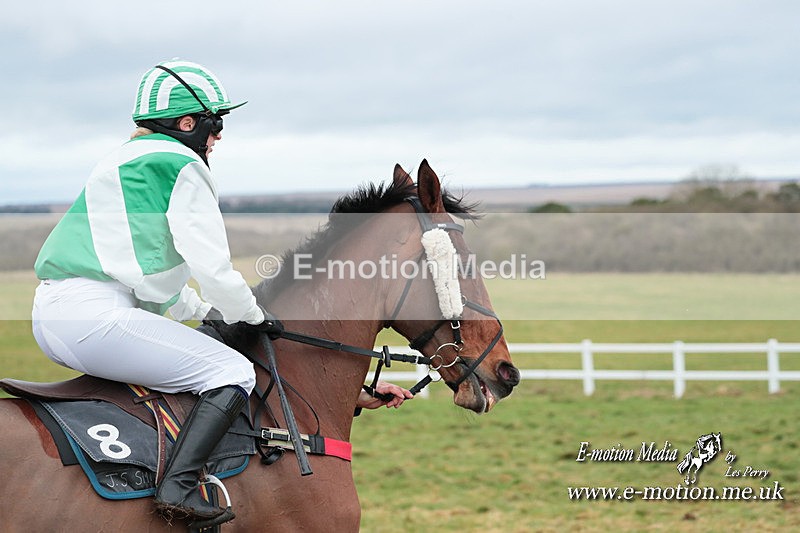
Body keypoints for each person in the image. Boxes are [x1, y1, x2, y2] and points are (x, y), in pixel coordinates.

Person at [31, 59, 411, 527]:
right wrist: (250, 313)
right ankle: (178, 487)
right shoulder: (183, 164)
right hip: (97, 318)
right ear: (188, 123)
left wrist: (208, 311)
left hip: (62, 312)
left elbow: (155, 283)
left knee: (200, 363)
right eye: (217, 122)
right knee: (230, 369)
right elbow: (210, 266)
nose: (219, 136)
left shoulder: (122, 161)